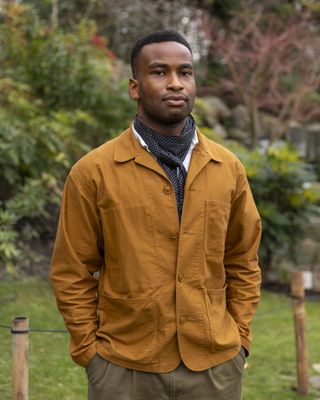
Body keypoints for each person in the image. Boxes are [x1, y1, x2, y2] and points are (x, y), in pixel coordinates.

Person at [50, 29, 262, 400]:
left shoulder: (228, 168)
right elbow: (72, 270)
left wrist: (239, 338)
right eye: (160, 72)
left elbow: (243, 258)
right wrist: (91, 353)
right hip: (124, 368)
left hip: (215, 368)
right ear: (135, 87)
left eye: (186, 72)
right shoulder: (93, 171)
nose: (176, 83)